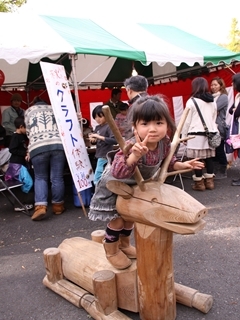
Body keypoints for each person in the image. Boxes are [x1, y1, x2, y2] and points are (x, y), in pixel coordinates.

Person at [89, 95, 204, 270]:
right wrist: (134, 155)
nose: (153, 129)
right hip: (115, 187)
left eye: (159, 123)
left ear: (168, 124)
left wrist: (183, 164)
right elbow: (118, 172)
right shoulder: (131, 145)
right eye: (145, 124)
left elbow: (168, 162)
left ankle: (125, 245)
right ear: (135, 126)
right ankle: (111, 250)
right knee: (118, 221)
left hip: (135, 188)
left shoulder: (164, 143)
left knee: (129, 220)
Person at [24, 96, 66, 221]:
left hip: (38, 147)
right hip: (57, 145)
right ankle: (58, 206)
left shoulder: (29, 111)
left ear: (34, 103)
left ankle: (41, 206)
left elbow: (28, 132)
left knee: (40, 177)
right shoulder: (54, 109)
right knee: (57, 177)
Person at [181, 77, 219, 191]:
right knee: (209, 158)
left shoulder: (191, 101)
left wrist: (183, 136)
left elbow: (186, 121)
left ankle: (199, 183)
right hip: (210, 133)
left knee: (196, 159)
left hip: (195, 134)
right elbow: (213, 117)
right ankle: (210, 182)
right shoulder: (212, 101)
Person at [4, 117, 33, 211]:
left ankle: (22, 202)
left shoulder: (22, 136)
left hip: (20, 164)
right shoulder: (15, 136)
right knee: (26, 183)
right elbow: (12, 149)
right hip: (16, 165)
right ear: (21, 127)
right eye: (26, 127)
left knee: (24, 183)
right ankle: (19, 204)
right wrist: (24, 153)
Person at [88, 105, 117, 185]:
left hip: (105, 156)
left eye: (100, 116)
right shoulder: (97, 127)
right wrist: (93, 140)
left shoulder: (109, 126)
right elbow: (95, 142)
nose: (98, 119)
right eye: (96, 117)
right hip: (99, 155)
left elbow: (114, 141)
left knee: (97, 180)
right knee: (102, 178)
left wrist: (98, 137)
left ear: (106, 116)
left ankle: (99, 196)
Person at [210, 77, 229, 179]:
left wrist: (213, 111)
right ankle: (216, 170)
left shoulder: (223, 97)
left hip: (219, 127)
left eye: (215, 85)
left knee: (220, 149)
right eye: (212, 85)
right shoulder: (211, 97)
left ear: (221, 86)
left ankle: (223, 171)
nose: (213, 87)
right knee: (214, 150)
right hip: (212, 126)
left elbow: (213, 109)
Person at [123, 75, 148, 139]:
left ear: (129, 90)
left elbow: (132, 129)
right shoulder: (157, 102)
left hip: (140, 144)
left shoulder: (137, 105)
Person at [228, 73, 240, 186]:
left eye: (234, 82)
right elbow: (231, 111)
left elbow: (236, 112)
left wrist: (235, 110)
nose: (232, 84)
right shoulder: (237, 96)